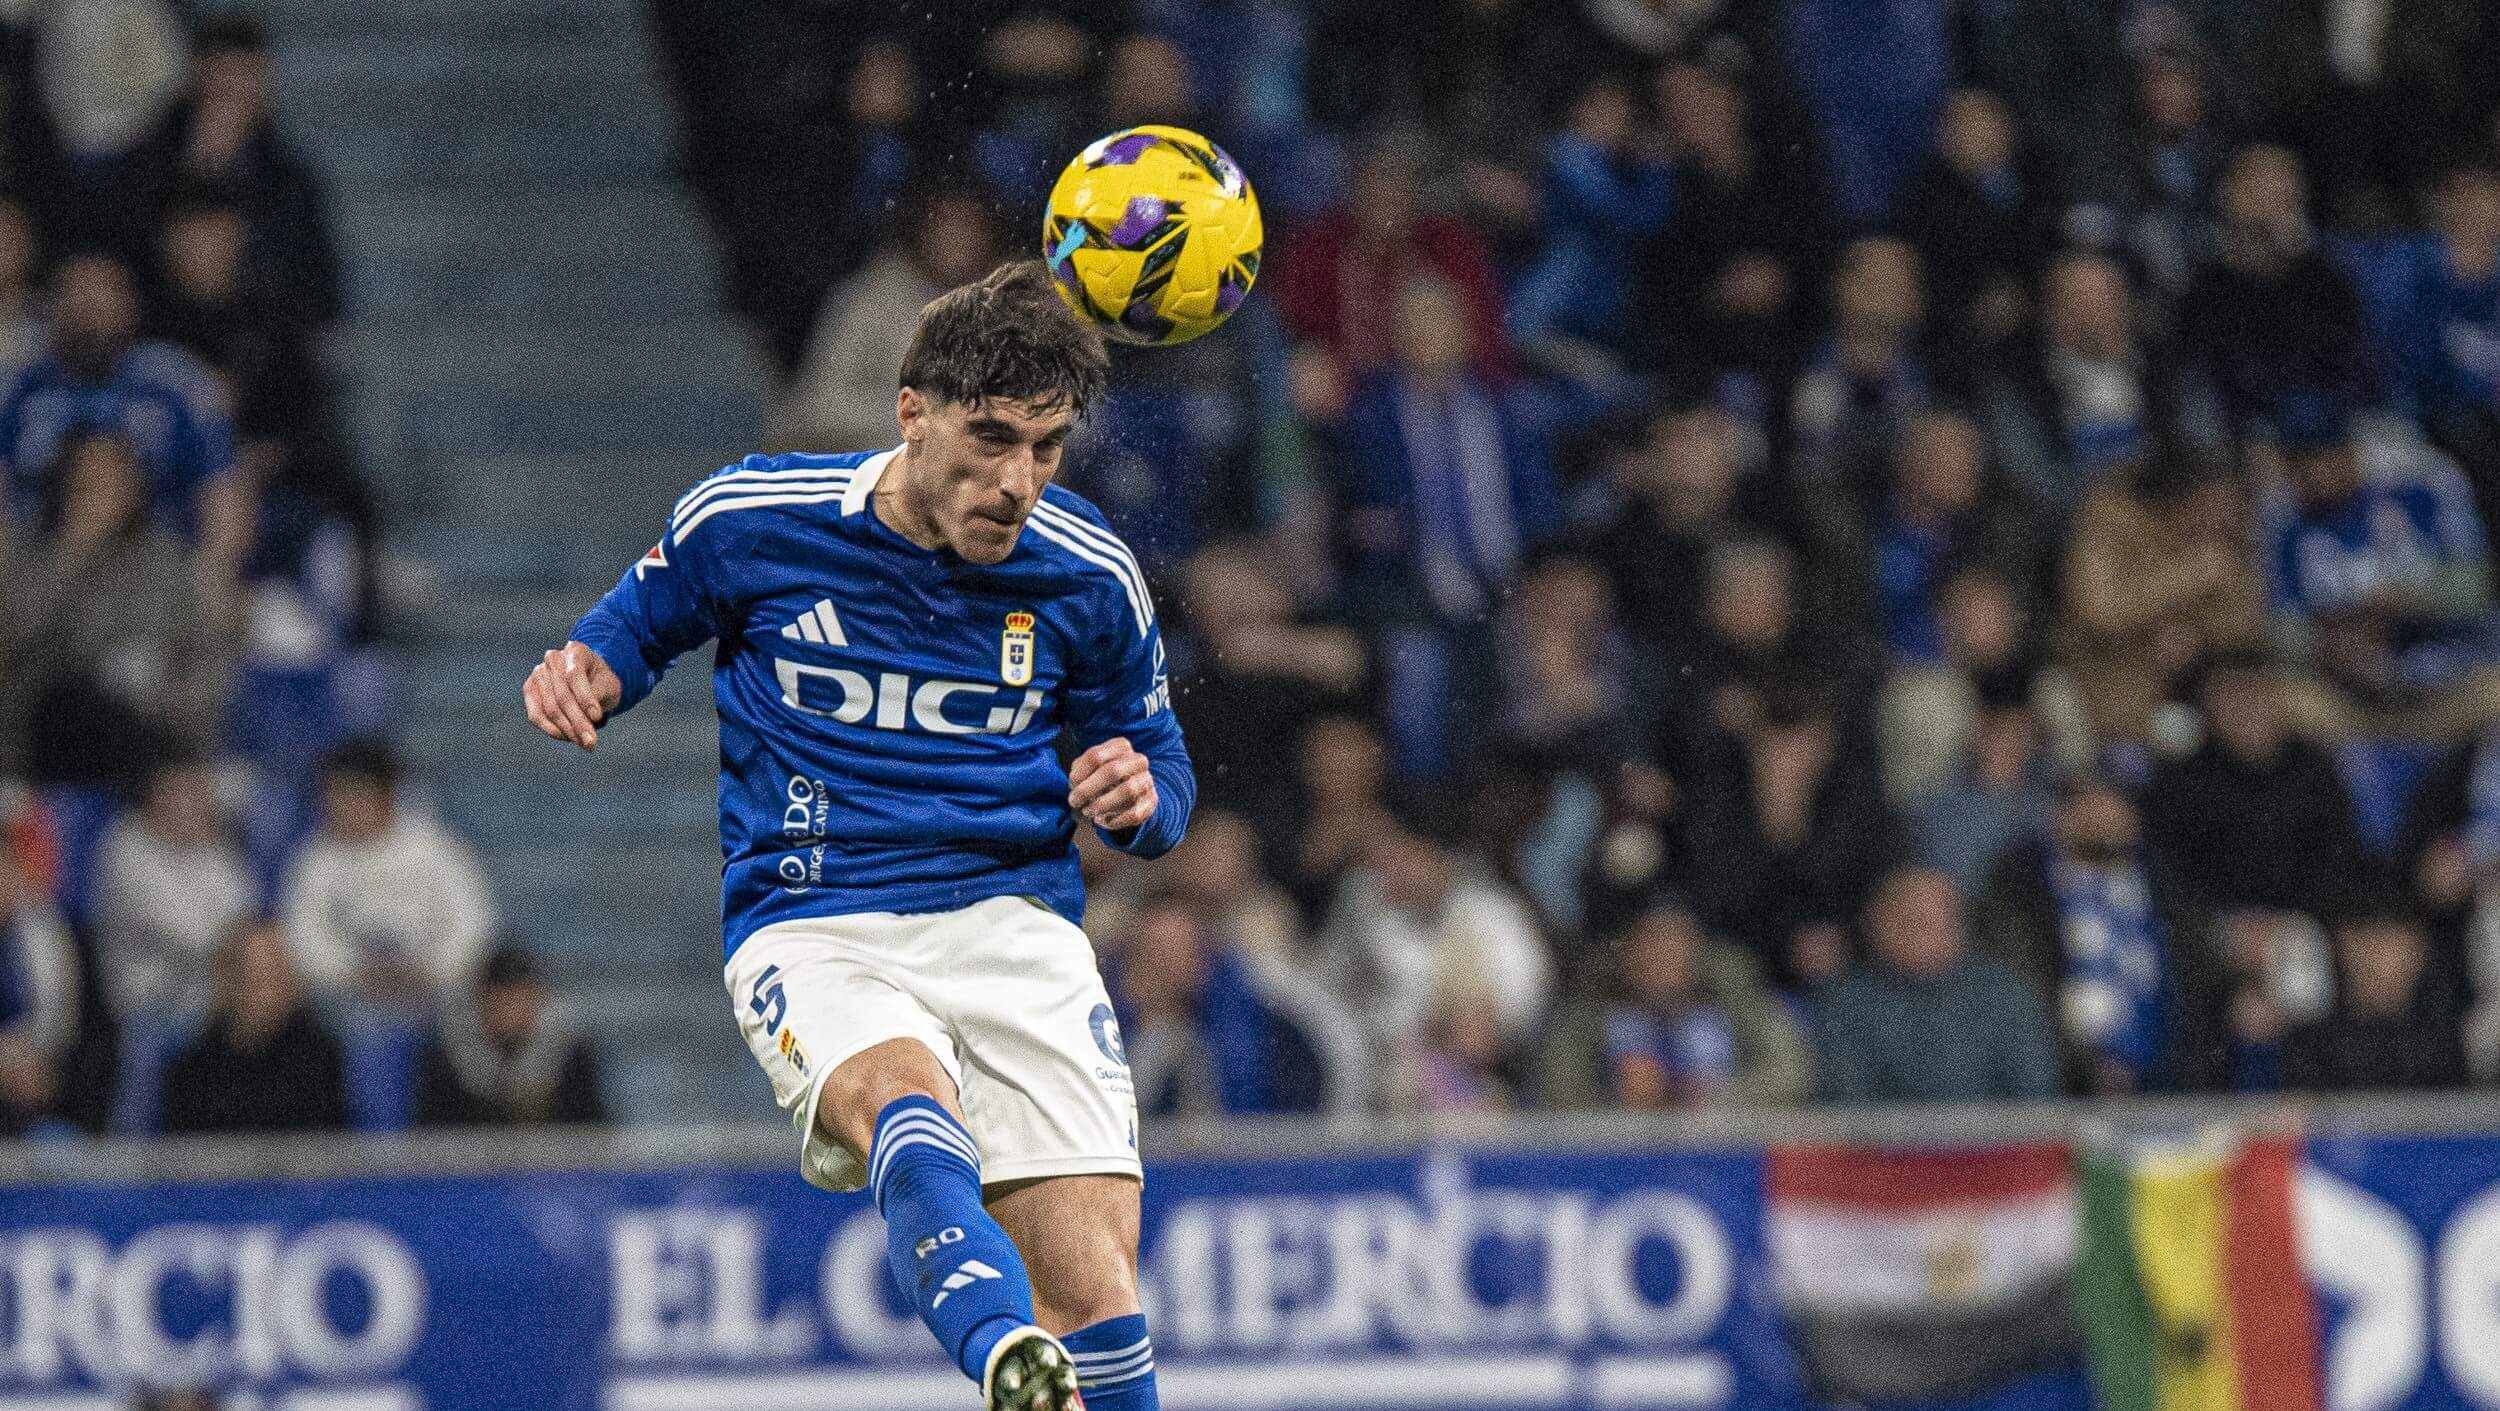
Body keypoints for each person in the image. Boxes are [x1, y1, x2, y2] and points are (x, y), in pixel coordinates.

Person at [524, 261, 1191, 1411]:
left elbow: (1157, 761)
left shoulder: (1088, 574)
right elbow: (632, 625)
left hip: (1012, 920)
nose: (1016, 481)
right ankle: (1002, 1356)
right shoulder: (752, 519)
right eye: (989, 437)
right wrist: (585, 674)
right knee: (901, 1096)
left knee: (1093, 1285)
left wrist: (1141, 797)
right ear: (911, 411)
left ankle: (1042, 1354)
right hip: (815, 914)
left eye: (1045, 448)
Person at [1973, 771, 2228, 1094]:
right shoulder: (2021, 891)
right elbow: (2021, 990)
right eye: (2090, 804)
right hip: (2068, 1084)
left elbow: (2201, 962)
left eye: (2118, 802)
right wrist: (2084, 1063)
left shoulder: (2162, 884)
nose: (2105, 815)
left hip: (2167, 1076)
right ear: (2060, 816)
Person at [1813, 866, 2062, 1103]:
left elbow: (2034, 1099)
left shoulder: (2003, 995)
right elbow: (1848, 1109)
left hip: (1996, 1145)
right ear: (1875, 925)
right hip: (1884, 1146)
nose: (1917, 934)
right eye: (1906, 920)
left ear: (1958, 928)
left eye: (1929, 921)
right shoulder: (1845, 1003)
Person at [280, 739, 497, 1008]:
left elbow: (472, 924)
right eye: (333, 797)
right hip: (347, 1000)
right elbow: (303, 935)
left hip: (432, 995)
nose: (340, 808)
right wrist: (354, 973)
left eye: (352, 795)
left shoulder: (434, 847)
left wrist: (430, 970)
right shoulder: (316, 859)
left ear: (386, 794)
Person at [93, 756, 252, 1023]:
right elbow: (190, 938)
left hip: (214, 997)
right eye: (185, 794)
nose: (200, 805)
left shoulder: (214, 845)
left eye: (201, 794)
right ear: (155, 799)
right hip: (151, 1005)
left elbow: (246, 913)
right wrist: (243, 957)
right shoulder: (126, 849)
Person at [159, 917, 348, 1134]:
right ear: (230, 981)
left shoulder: (321, 1060)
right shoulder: (194, 1070)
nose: (272, 988)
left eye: (279, 972)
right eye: (259, 974)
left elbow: (326, 1153)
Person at [2284, 898, 2469, 1092]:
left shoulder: (2443, 1046)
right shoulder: (2311, 1046)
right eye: (2371, 942)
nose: (2382, 957)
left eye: (2394, 942)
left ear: (2419, 952)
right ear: (2344, 945)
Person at [412, 944, 608, 1127]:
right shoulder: (446, 1060)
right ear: (480, 1002)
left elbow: (593, 1138)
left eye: (519, 1000)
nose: (509, 1012)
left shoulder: (572, 1058)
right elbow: (432, 1143)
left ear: (537, 999)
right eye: (499, 1001)